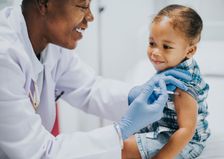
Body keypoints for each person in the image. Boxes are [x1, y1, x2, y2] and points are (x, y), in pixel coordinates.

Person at [0, 1, 191, 159]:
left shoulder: (50, 44)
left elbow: (89, 88)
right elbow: (39, 153)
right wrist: (121, 130)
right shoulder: (4, 55)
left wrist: (135, 95)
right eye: (82, 6)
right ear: (43, 3)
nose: (90, 17)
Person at [123, 4, 210, 159]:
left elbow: (186, 131)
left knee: (123, 148)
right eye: (152, 43)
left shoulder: (182, 86)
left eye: (166, 46)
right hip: (164, 127)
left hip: (184, 141)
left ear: (189, 51)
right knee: (118, 138)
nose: (155, 52)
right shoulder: (171, 65)